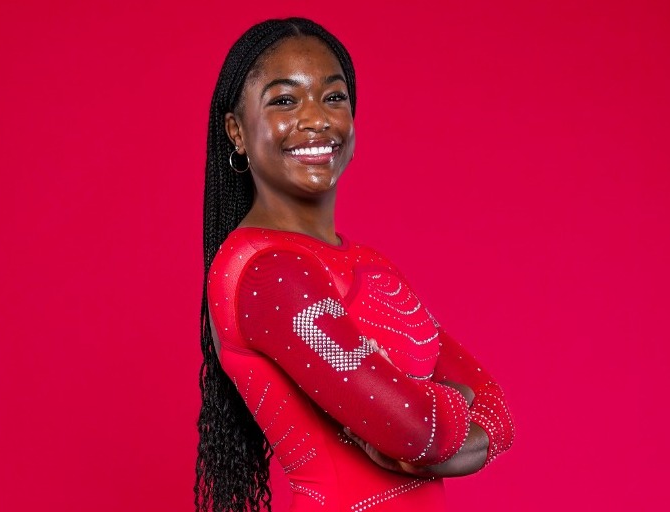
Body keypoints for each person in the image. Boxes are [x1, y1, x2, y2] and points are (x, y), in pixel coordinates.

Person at [196, 17, 514, 512]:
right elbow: (413, 428)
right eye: (284, 100)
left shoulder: (366, 262)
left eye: (334, 97)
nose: (316, 119)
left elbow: (496, 409)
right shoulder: (268, 271)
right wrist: (440, 410)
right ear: (236, 131)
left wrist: (425, 414)